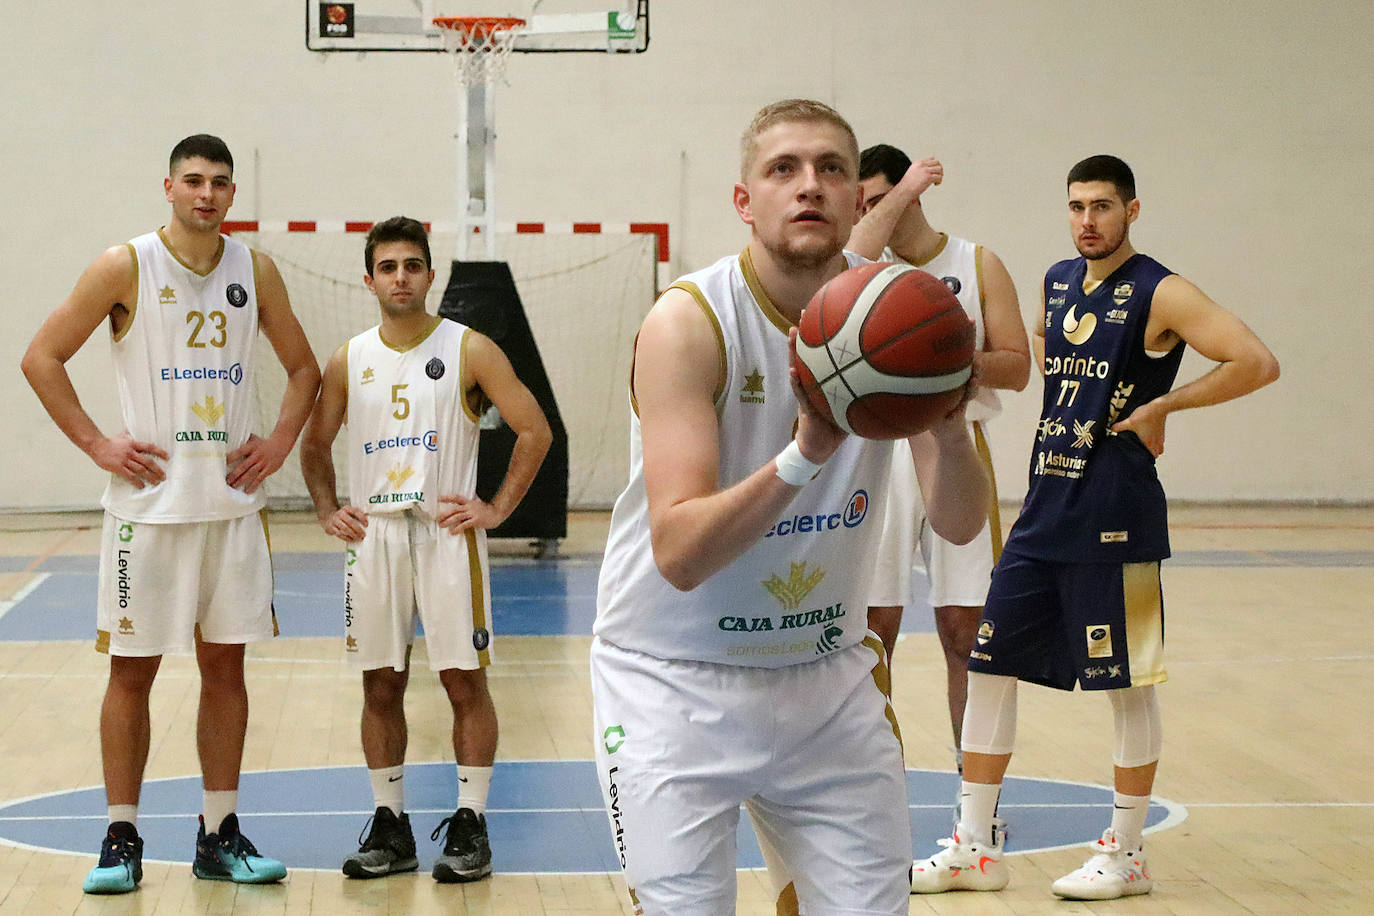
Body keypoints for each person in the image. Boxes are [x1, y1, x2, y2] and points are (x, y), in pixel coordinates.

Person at [590, 99, 991, 916]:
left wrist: (949, 436)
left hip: (826, 677)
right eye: (784, 170)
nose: (809, 186)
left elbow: (958, 522)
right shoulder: (689, 322)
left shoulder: (896, 315)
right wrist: (806, 450)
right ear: (745, 201)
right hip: (672, 681)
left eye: (831, 170)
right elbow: (680, 553)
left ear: (859, 202)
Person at [909, 155, 1280, 900]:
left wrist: (1162, 408)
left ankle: (1128, 852)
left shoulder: (1161, 290)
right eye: (1077, 206)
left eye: (1103, 206)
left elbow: (1256, 360)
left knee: (1128, 686)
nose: (1087, 220)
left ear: (1132, 211)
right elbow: (1054, 354)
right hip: (1043, 507)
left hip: (1118, 513)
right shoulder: (1054, 280)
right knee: (988, 665)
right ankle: (976, 846)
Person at [20, 134, 321, 894]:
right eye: (194, 181)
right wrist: (96, 443)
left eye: (220, 183)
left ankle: (218, 835)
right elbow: (41, 356)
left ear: (230, 193)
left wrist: (280, 441)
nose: (207, 194)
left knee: (227, 670)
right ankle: (121, 835)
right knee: (132, 673)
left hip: (229, 509)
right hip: (148, 511)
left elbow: (304, 369)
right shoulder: (124, 264)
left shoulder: (257, 269)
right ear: (167, 186)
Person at [298, 216, 551, 883]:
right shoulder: (348, 358)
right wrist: (328, 509)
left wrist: (496, 508)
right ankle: (392, 826)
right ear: (370, 279)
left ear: (430, 274)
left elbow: (534, 430)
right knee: (380, 682)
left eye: (412, 265)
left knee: (463, 679)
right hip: (373, 535)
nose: (401, 277)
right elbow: (315, 443)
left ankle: (471, 823)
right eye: (388, 266)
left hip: (445, 534)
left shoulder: (471, 348)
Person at [849, 143, 1031, 776]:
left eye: (877, 199)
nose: (867, 214)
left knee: (968, 633)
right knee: (872, 639)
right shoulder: (858, 269)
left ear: (913, 194)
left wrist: (945, 355)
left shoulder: (977, 262)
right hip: (875, 458)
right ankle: (871, 791)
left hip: (957, 448)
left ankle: (977, 796)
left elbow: (1018, 368)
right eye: (862, 205)